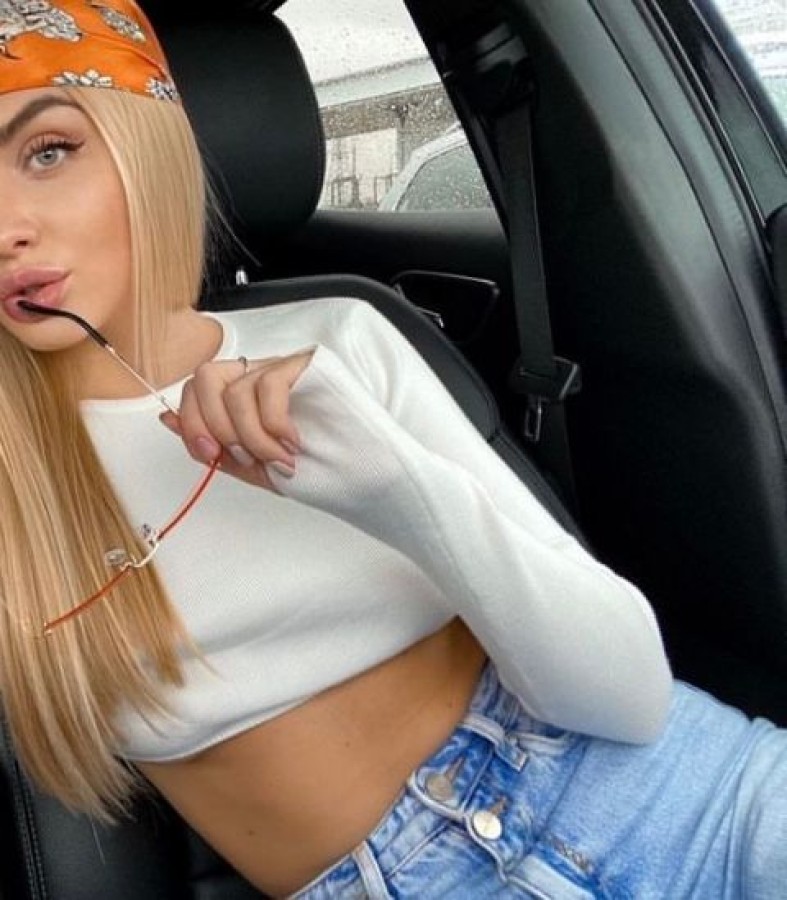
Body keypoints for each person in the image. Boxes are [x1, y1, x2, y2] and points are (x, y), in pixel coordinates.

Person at [0, 2, 784, 898]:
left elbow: (629, 696)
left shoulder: (339, 339)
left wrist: (394, 488)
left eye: (48, 152)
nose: (6, 226)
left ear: (144, 146)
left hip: (675, 793)